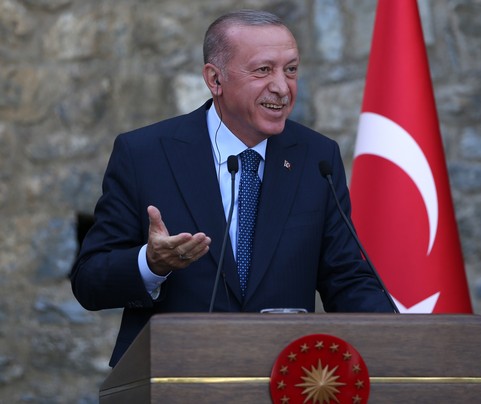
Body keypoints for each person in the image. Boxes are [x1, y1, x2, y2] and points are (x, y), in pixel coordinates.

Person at [70, 9, 396, 368]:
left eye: (290, 69)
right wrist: (150, 264)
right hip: (174, 375)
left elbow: (345, 277)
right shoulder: (144, 154)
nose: (282, 87)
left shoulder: (316, 157)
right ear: (215, 79)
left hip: (284, 378)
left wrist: (400, 338)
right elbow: (89, 280)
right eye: (263, 70)